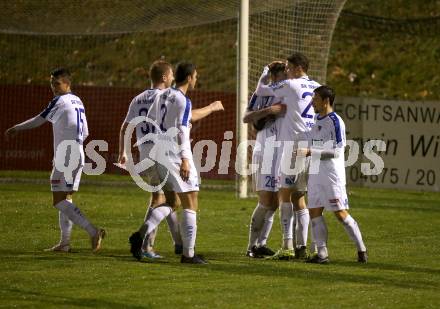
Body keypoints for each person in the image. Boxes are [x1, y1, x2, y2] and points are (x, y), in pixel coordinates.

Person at [118, 60, 223, 260]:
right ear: (190, 77)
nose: (196, 80)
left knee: (172, 201)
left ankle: (140, 236)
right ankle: (188, 254)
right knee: (191, 202)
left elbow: (148, 119)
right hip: (176, 154)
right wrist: (184, 158)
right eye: (196, 76)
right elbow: (183, 129)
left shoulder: (161, 96)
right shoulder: (183, 100)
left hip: (159, 153)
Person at [4, 68, 105, 253]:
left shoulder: (59, 100)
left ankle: (93, 230)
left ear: (67, 83)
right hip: (78, 152)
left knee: (58, 200)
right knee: (66, 198)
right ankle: (65, 243)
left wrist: (16, 128)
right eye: (51, 83)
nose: (53, 87)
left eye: (57, 83)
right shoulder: (78, 101)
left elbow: (38, 120)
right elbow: (86, 132)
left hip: (66, 155)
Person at [256, 53, 320, 260]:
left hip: (292, 148)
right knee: (300, 198)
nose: (287, 72)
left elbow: (261, 90)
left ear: (298, 67)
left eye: (289, 68)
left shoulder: (291, 85)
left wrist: (266, 72)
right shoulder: (317, 86)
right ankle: (302, 247)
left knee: (284, 195)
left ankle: (287, 246)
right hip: (309, 147)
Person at [296, 85, 367, 264]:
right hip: (316, 174)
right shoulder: (316, 119)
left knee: (340, 214)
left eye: (315, 99)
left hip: (331, 176)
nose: (312, 102)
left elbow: (337, 151)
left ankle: (361, 249)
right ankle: (322, 254)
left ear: (326, 101)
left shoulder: (335, 121)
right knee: (314, 212)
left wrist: (311, 152)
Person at [243, 61, 287, 258]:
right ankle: (251, 246)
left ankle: (262, 244)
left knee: (276, 202)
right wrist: (268, 111)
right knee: (265, 200)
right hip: (265, 151)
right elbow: (247, 117)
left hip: (282, 153)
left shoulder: (289, 93)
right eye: (285, 74)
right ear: (277, 75)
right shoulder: (262, 93)